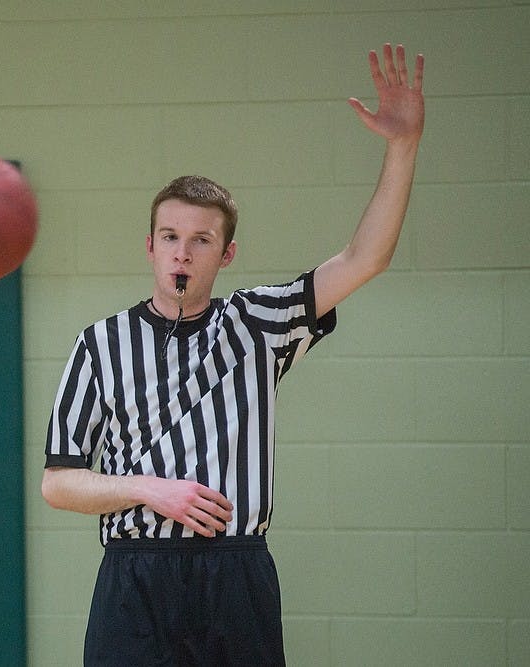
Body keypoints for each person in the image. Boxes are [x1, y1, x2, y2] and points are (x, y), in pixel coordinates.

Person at [41, 43, 424, 666]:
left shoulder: (258, 323)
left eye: (200, 240)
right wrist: (147, 490)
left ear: (227, 254)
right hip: (135, 578)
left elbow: (365, 259)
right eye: (170, 237)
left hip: (235, 571)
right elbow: (57, 484)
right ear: (149, 246)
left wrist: (402, 145)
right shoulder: (101, 343)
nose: (182, 253)